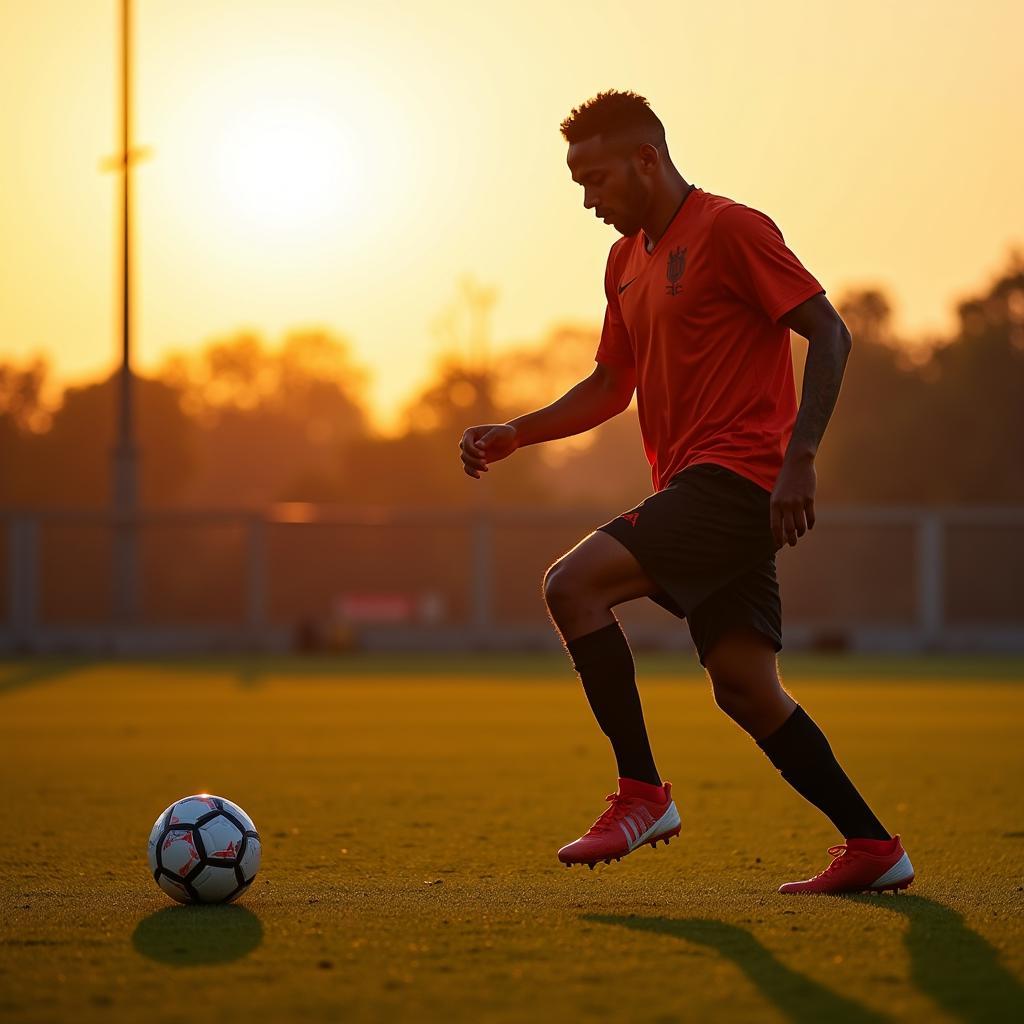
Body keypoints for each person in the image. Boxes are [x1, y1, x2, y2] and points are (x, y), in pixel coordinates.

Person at [458, 90, 913, 895]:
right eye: (577, 186)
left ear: (646, 159)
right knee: (744, 685)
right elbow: (610, 384)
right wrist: (516, 432)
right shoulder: (625, 261)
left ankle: (642, 794)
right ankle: (874, 848)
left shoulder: (732, 229)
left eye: (596, 179)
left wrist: (800, 457)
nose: (589, 201)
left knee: (571, 584)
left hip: (738, 482)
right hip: (697, 487)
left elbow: (830, 333)